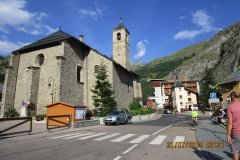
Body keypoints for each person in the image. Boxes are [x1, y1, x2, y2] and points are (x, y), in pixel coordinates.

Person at [227, 91, 240, 160]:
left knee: (235, 152)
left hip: (236, 133)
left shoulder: (230, 107)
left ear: (232, 97)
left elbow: (230, 123)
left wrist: (228, 135)